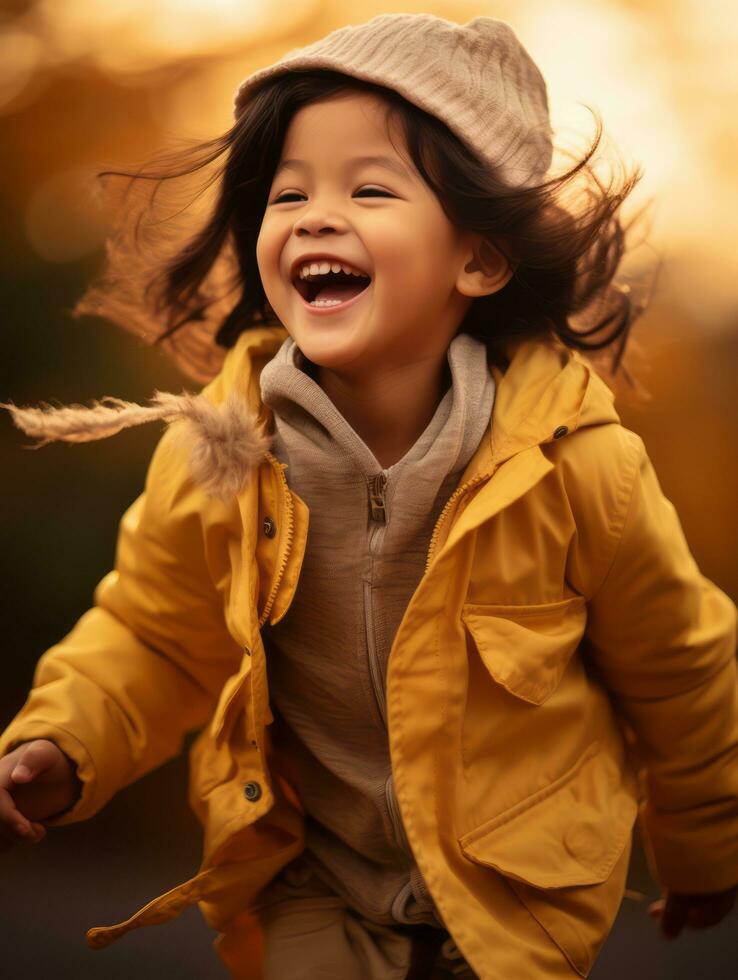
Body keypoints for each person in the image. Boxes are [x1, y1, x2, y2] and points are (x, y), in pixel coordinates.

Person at [1, 12, 736, 980]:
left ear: (477, 257)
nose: (311, 214)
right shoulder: (227, 455)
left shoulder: (574, 467)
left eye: (369, 188)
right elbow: (150, 630)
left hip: (521, 894)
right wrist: (61, 740)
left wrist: (705, 844)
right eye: (287, 192)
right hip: (315, 874)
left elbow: (678, 667)